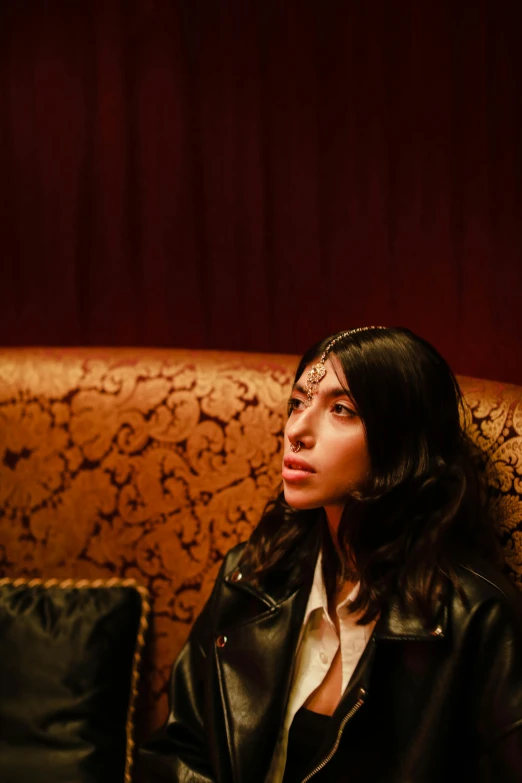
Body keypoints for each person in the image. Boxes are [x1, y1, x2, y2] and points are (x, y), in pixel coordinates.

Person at [139, 326, 522, 782]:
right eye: (297, 403)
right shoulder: (253, 575)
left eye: (341, 410)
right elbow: (177, 755)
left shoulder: (475, 619)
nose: (296, 431)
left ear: (400, 441)